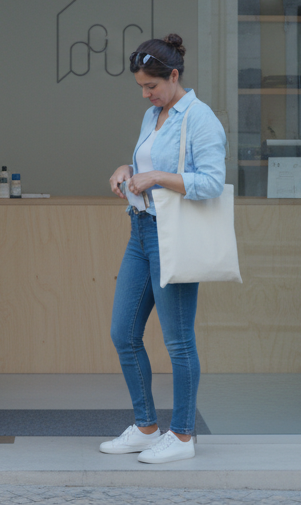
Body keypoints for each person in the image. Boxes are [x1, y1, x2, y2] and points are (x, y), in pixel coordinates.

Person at [100, 34, 226, 464]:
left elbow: (211, 181)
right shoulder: (154, 114)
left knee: (178, 341)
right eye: (140, 87)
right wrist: (127, 170)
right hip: (140, 233)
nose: (145, 94)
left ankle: (184, 436)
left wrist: (154, 179)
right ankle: (146, 426)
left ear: (174, 75)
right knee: (124, 333)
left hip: (173, 236)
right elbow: (148, 164)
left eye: (151, 86)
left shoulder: (201, 118)